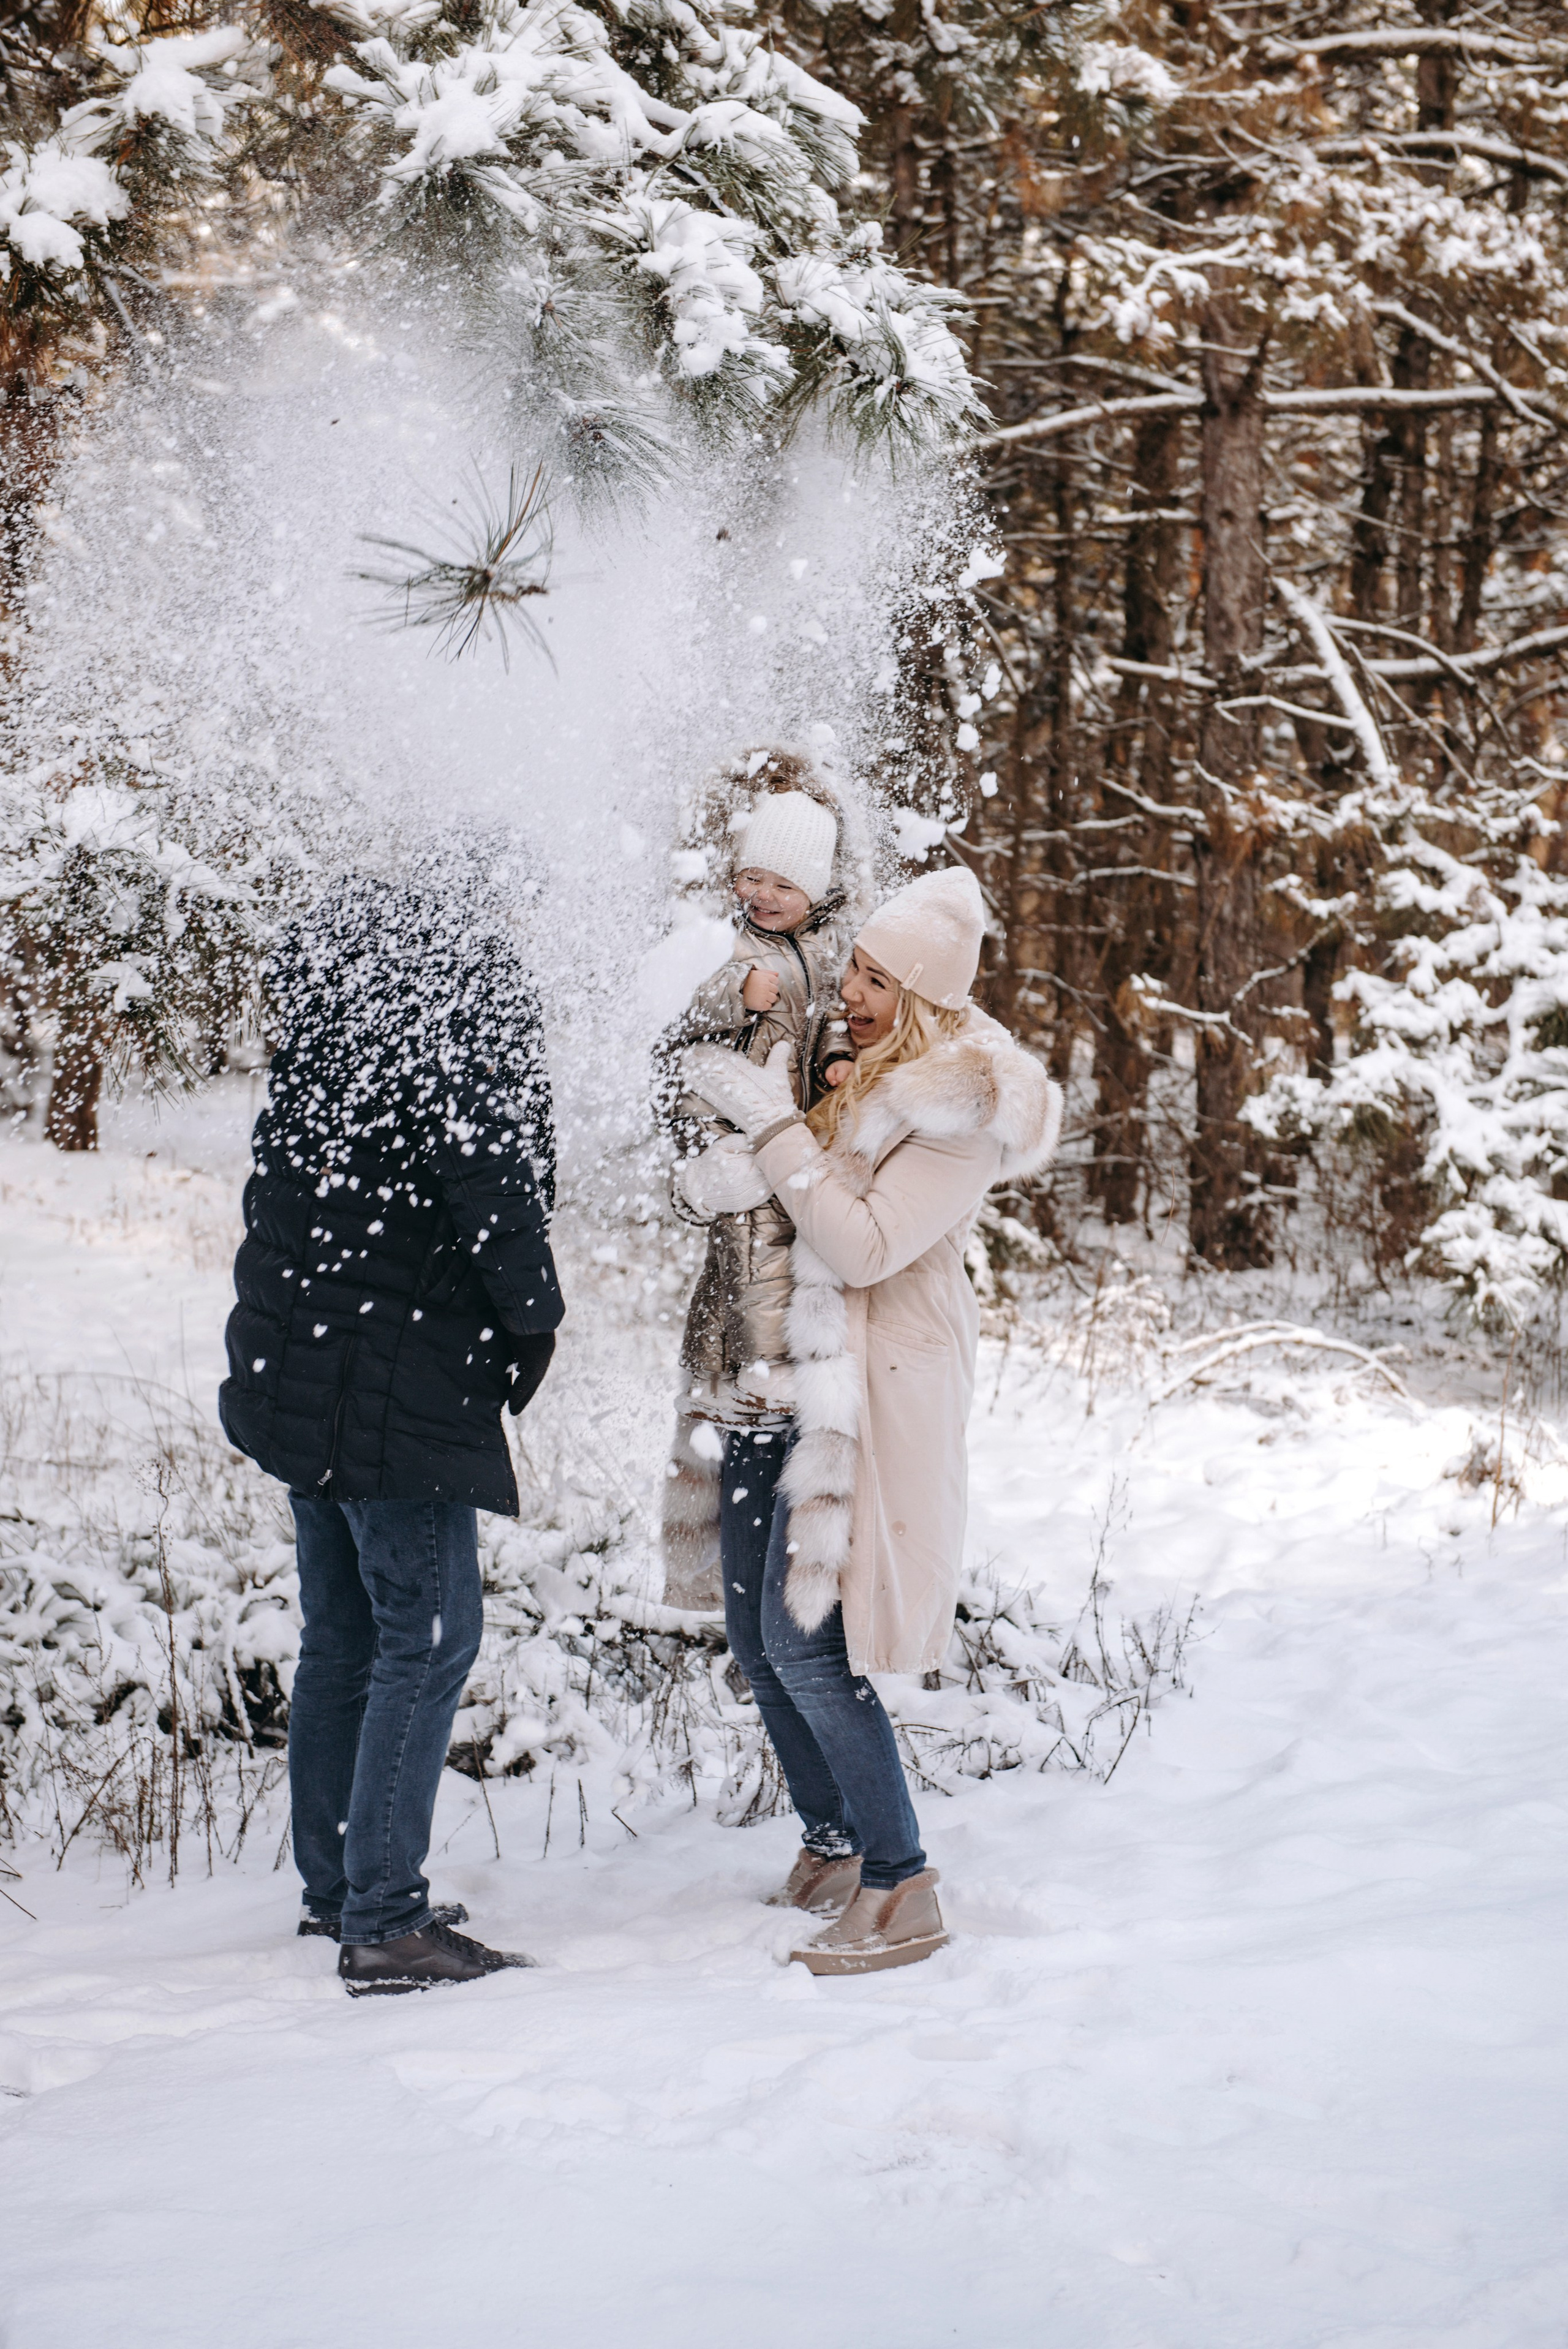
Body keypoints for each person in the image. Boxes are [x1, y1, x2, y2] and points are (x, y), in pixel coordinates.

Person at [680, 865, 1062, 1974]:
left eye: (877, 978)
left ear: (930, 999)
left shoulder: (957, 1114)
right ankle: (838, 1842)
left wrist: (773, 1135)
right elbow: (792, 1209)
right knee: (757, 1641)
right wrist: (727, 1171)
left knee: (809, 1651)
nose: (850, 988)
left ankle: (904, 1885)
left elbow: (859, 1243)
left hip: (864, 1394)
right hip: (781, 1375)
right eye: (853, 966)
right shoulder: (862, 1072)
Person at [220, 873, 564, 1996]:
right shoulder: (458, 1016)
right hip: (393, 1391)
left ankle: (338, 1886)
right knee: (428, 1638)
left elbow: (276, 1212)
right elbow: (498, 1194)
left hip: (309, 1381)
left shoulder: (331, 1027)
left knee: (345, 1638)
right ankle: (385, 1920)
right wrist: (533, 1323)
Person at [654, 748, 858, 1608]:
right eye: (754, 878)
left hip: (794, 1146)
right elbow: (674, 1014)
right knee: (745, 1266)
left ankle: (763, 1572)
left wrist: (841, 1057)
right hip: (733, 1128)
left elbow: (838, 1021)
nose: (766, 896)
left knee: (779, 1264)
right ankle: (751, 1383)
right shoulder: (728, 944)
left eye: (786, 885)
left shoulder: (830, 950)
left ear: (817, 894)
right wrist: (735, 991)